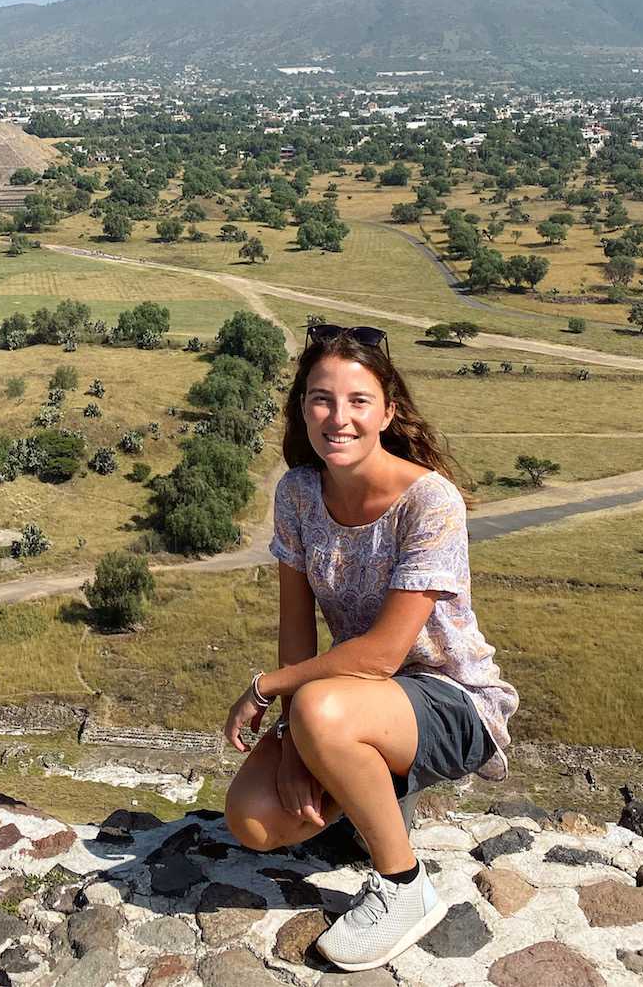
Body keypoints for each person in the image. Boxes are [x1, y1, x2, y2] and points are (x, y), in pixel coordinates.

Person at [223, 324, 518, 973]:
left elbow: (385, 654)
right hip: (353, 700)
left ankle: (404, 887)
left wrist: (273, 693)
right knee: (253, 820)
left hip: (448, 702)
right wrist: (297, 746)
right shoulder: (298, 494)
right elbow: (296, 627)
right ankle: (373, 796)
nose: (339, 417)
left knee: (323, 713)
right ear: (303, 408)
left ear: (389, 410)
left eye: (359, 401)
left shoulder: (429, 502)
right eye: (321, 399)